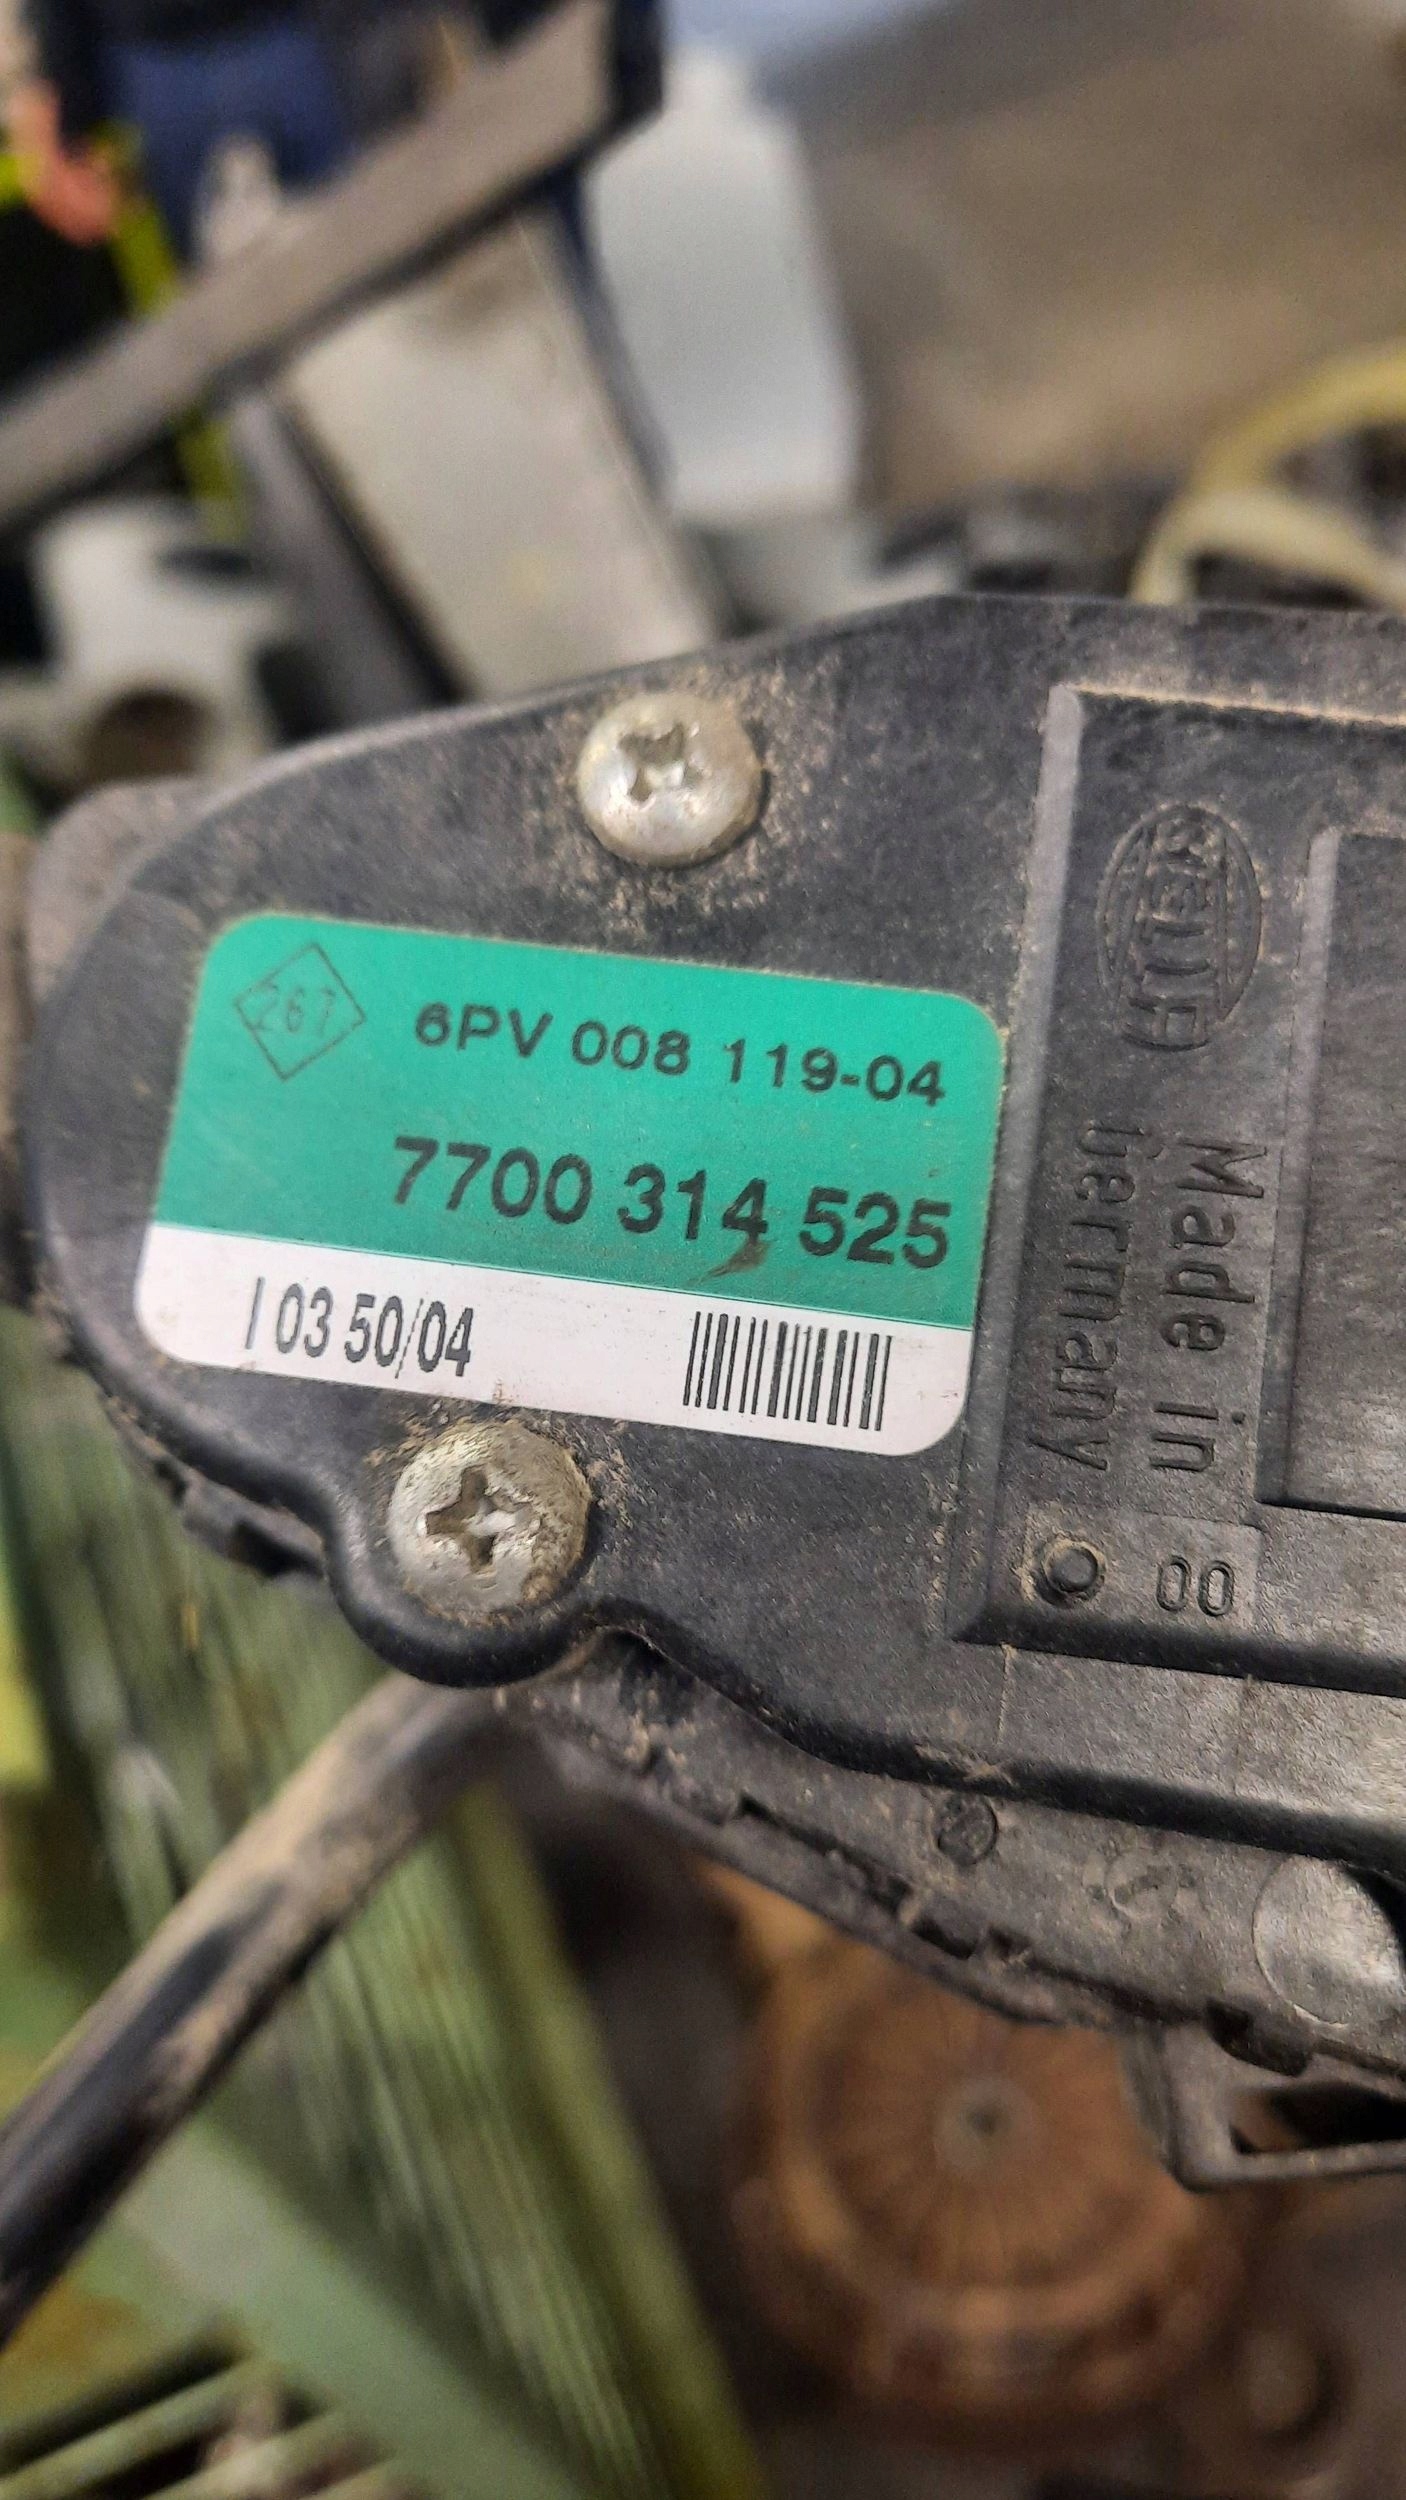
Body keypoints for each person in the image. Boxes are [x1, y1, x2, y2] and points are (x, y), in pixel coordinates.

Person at [4, 1, 354, 255]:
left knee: (357, 225)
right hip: (156, 65)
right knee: (235, 292)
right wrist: (49, 111)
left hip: (287, 31)